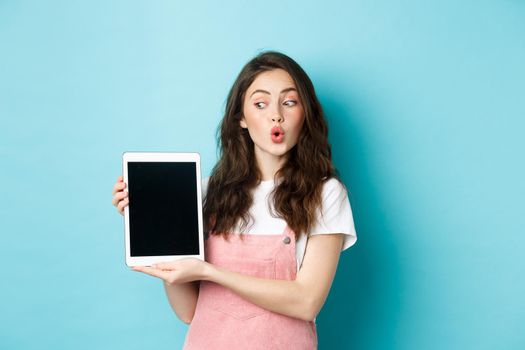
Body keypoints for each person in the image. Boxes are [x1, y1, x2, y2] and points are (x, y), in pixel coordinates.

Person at [111, 51, 357, 349]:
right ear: (241, 117)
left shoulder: (325, 194)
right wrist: (156, 230)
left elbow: (306, 302)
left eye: (289, 102)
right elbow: (188, 312)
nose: (276, 114)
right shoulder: (206, 192)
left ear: (306, 114)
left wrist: (210, 272)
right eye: (260, 103)